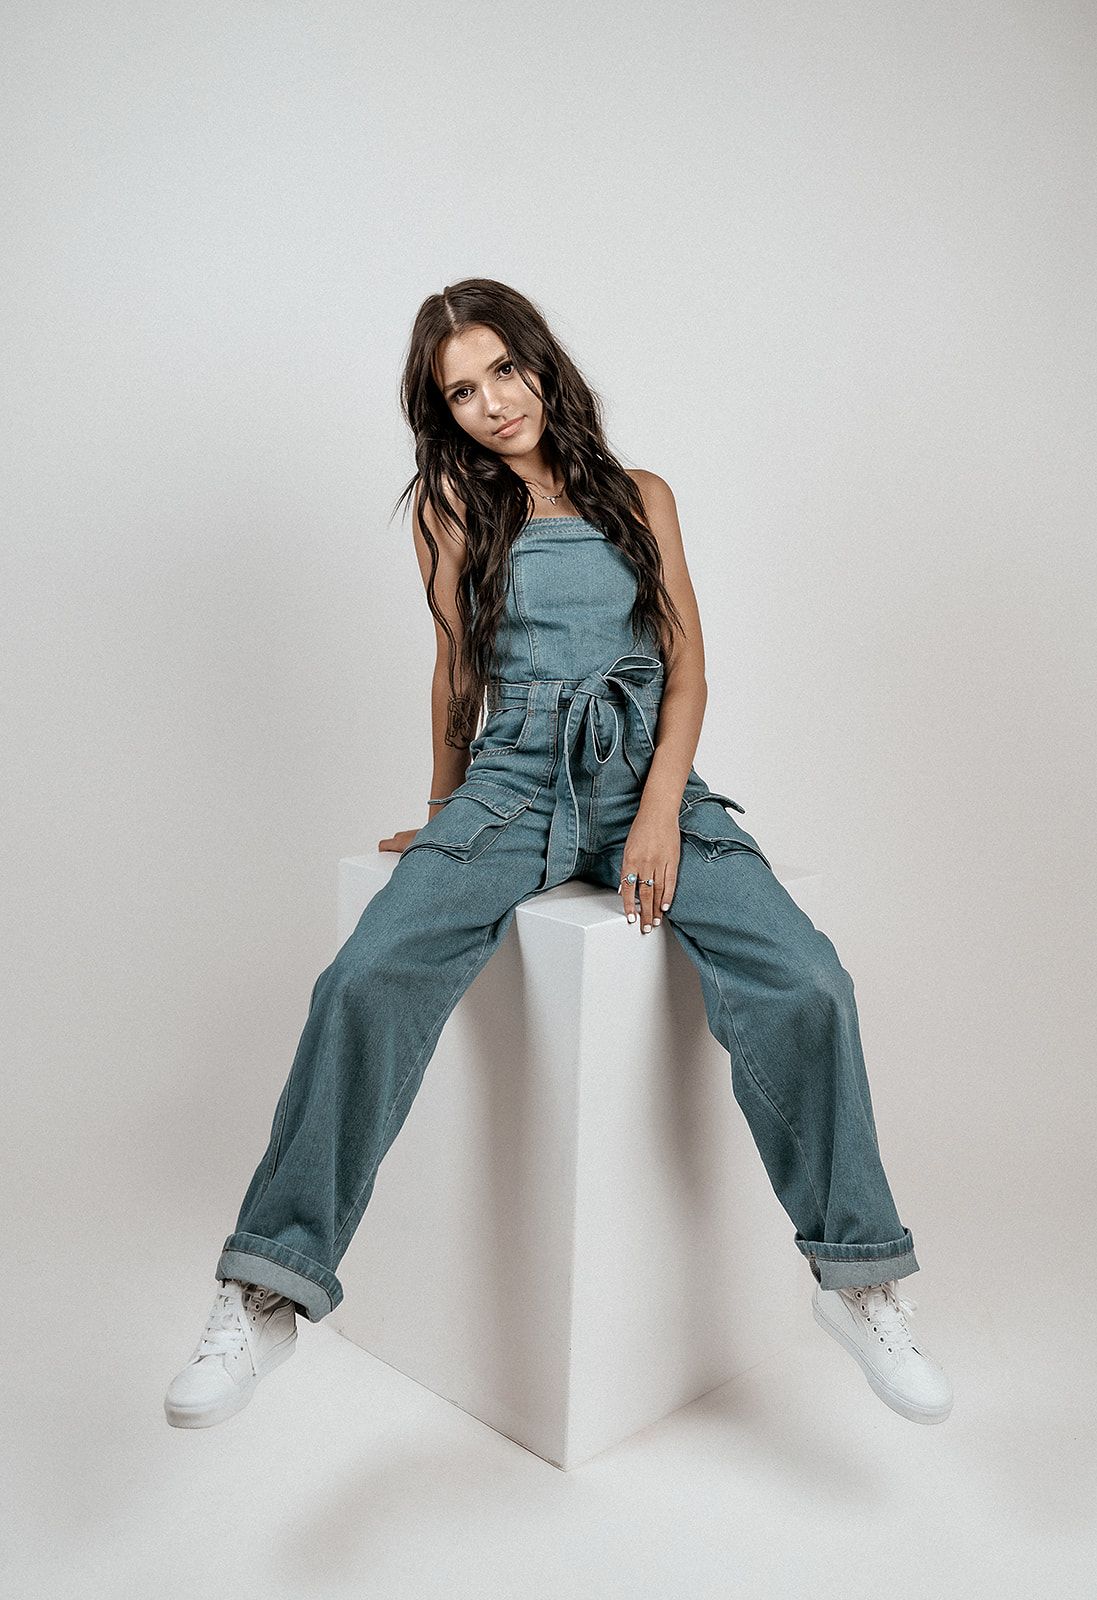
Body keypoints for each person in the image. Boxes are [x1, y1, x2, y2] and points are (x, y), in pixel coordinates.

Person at [165, 277, 952, 1430]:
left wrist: (658, 806)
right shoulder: (451, 510)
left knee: (808, 982)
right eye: (460, 392)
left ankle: (858, 1277)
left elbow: (685, 665)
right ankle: (266, 1290)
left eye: (502, 370)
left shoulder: (642, 495)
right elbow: (454, 669)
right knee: (364, 978)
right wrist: (443, 812)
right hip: (515, 781)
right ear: (442, 413)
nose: (491, 404)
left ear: (539, 362)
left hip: (644, 775)